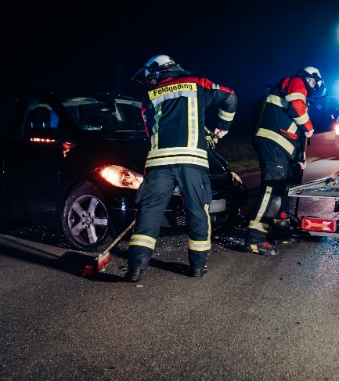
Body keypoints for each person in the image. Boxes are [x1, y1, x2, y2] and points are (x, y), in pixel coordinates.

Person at [125, 54, 237, 282]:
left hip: (159, 164)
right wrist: (222, 126)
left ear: (158, 71)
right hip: (192, 163)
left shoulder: (148, 96)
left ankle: (136, 268)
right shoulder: (198, 84)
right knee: (197, 211)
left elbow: (150, 130)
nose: (150, 81)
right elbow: (230, 97)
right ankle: (197, 266)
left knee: (149, 213)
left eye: (150, 76)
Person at [244, 66, 327, 255]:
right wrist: (308, 126)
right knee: (272, 189)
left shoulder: (301, 95)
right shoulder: (296, 82)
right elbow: (296, 107)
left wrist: (300, 158)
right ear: (308, 78)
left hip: (283, 148)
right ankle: (255, 238)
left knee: (284, 188)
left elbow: (298, 136)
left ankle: (281, 231)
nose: (313, 86)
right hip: (273, 143)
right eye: (312, 81)